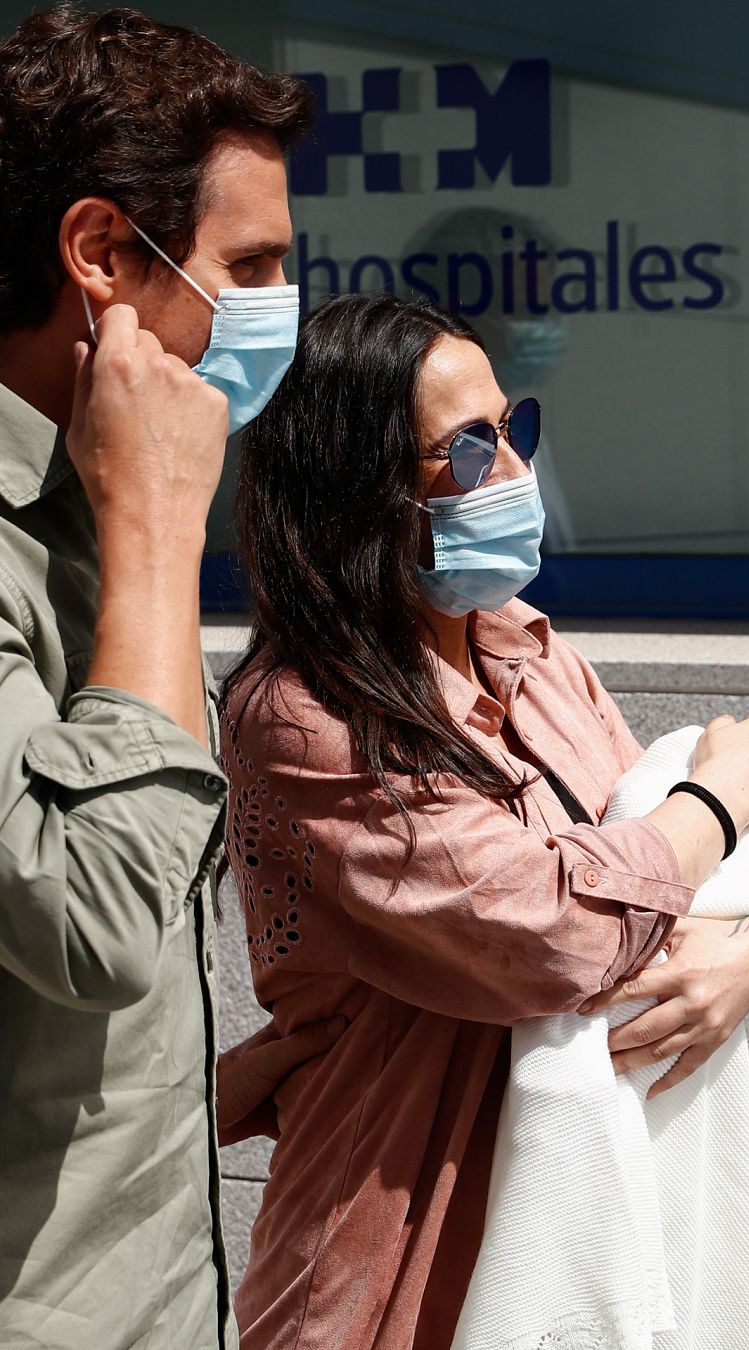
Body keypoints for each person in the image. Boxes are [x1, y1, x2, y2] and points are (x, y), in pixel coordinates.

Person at [220, 292, 749, 1350]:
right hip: (399, 1264)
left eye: (516, 430)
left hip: (592, 1228)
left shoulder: (534, 653)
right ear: (357, 489)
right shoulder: (304, 719)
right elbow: (554, 932)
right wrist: (722, 801)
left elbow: (666, 874)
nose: (510, 472)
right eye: (464, 452)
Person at [0, 9, 339, 1349]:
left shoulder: (86, 503)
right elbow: (91, 919)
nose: (272, 314)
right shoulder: (123, 518)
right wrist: (156, 534)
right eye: (244, 266)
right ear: (98, 254)